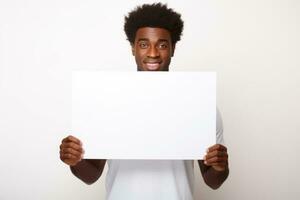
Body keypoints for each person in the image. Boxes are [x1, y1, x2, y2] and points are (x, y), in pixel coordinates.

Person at [59, 3, 229, 200]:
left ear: (173, 48)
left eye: (162, 45)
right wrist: (74, 160)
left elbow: (213, 181)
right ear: (133, 48)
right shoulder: (108, 101)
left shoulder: (200, 102)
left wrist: (219, 166)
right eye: (143, 44)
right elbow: (91, 175)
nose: (153, 53)